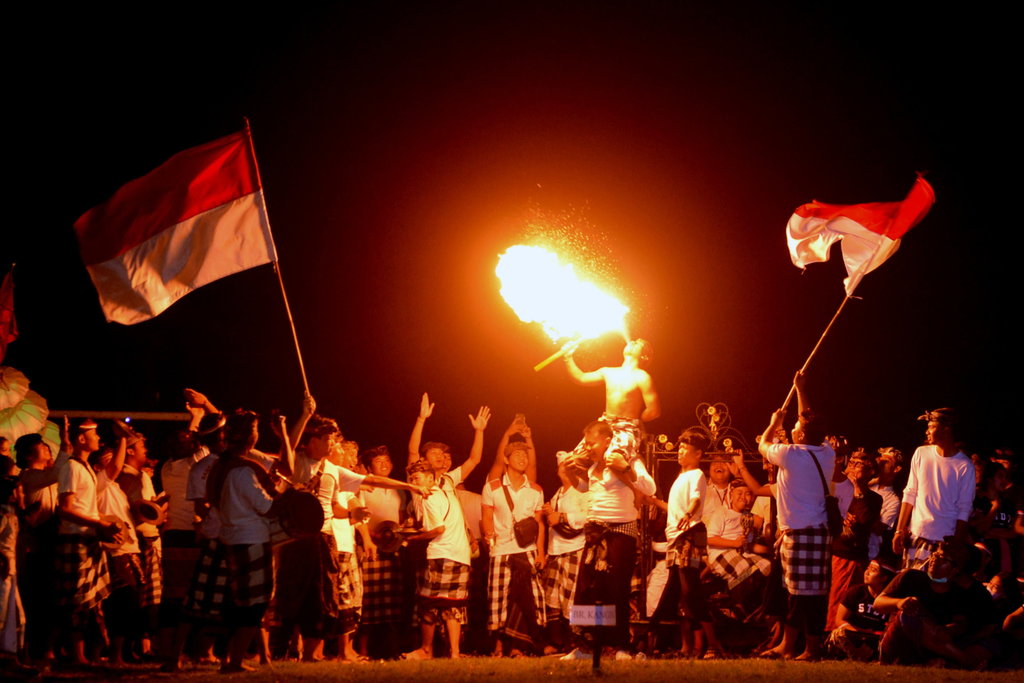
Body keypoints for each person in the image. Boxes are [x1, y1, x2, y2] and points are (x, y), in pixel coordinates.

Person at [561, 420, 656, 660]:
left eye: (592, 443)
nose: (588, 447)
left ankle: (619, 646)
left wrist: (625, 468)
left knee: (616, 591)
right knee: (588, 589)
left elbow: (650, 487)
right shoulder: (593, 466)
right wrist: (571, 473)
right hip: (595, 533)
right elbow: (584, 488)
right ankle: (587, 646)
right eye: (587, 443)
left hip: (620, 533)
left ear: (607, 440)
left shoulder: (629, 459)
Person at [757, 371, 834, 661]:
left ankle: (808, 648)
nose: (793, 426)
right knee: (801, 594)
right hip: (816, 532)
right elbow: (808, 418)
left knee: (804, 597)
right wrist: (801, 388)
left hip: (800, 533)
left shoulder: (789, 454)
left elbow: (762, 446)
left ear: (800, 434)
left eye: (796, 425)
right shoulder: (825, 453)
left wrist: (772, 424)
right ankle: (789, 646)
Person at [55, 419, 121, 664]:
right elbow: (64, 509)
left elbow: (85, 508)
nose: (98, 438)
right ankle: (75, 654)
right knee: (76, 599)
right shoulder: (72, 468)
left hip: (87, 537)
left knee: (88, 600)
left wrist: (103, 521)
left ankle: (83, 653)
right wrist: (99, 524)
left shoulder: (85, 468)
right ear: (81, 439)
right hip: (75, 538)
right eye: (94, 435)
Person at [660, 428, 724, 658]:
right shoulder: (680, 477)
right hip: (675, 538)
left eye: (685, 449)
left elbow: (696, 499)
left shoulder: (696, 474)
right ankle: (689, 647)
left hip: (687, 536)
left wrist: (689, 513)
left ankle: (713, 645)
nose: (680, 452)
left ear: (698, 454)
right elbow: (676, 509)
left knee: (691, 593)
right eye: (680, 448)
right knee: (682, 595)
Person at [481, 439, 547, 656]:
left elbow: (538, 524)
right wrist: (490, 540)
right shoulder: (492, 487)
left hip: (527, 551)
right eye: (517, 454)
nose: (522, 458)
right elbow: (486, 518)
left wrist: (541, 553)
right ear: (506, 459)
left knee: (532, 599)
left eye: (525, 455)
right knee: (498, 600)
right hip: (500, 551)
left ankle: (522, 645)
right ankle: (499, 645)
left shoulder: (536, 490)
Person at [402, 459, 473, 660]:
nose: (414, 482)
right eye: (412, 478)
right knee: (453, 605)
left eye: (417, 478)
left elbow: (438, 529)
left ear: (431, 478)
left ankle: (426, 649)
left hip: (441, 553)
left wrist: (413, 538)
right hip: (460, 553)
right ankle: (455, 653)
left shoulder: (429, 497)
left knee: (428, 603)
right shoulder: (445, 493)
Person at [893, 408, 974, 568]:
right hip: (916, 533)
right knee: (910, 587)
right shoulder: (921, 453)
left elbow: (964, 509)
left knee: (932, 589)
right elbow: (910, 493)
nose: (927, 431)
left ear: (946, 429)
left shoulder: (965, 466)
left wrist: (955, 545)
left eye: (931, 427)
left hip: (943, 541)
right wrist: (899, 531)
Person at [563, 338, 661, 465]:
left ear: (645, 356)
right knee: (575, 461)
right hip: (604, 425)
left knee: (613, 460)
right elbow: (581, 378)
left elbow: (654, 411)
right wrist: (568, 357)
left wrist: (635, 420)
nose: (633, 342)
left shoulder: (642, 377)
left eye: (639, 344)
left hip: (626, 428)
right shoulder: (608, 372)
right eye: (633, 341)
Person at [826, 451, 882, 632]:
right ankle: (828, 635)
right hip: (836, 552)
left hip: (854, 556)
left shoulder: (874, 498)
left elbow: (864, 520)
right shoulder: (837, 489)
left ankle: (841, 636)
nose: (857, 467)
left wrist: (858, 491)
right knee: (833, 597)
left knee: (847, 600)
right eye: (854, 463)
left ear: (871, 472)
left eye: (863, 465)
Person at [541, 452, 589, 650]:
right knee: (553, 597)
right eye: (561, 466)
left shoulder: (583, 492)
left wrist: (562, 517)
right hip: (555, 550)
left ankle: (576, 641)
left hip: (575, 548)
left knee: (573, 597)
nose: (564, 469)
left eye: (567, 466)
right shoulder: (557, 494)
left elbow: (588, 516)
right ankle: (557, 641)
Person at [826, 558, 896, 661]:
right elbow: (840, 620)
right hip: (856, 636)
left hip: (878, 638)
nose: (867, 572)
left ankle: (869, 656)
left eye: (873, 570)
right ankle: (868, 657)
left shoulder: (891, 598)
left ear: (884, 578)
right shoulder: (856, 591)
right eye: (868, 568)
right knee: (838, 634)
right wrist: (859, 633)